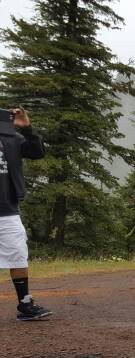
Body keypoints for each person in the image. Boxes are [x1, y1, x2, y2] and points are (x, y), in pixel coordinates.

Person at [0, 107, 51, 321]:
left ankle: (25, 304)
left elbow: (37, 152)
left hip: (8, 210)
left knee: (18, 254)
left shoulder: (11, 138)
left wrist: (27, 127)